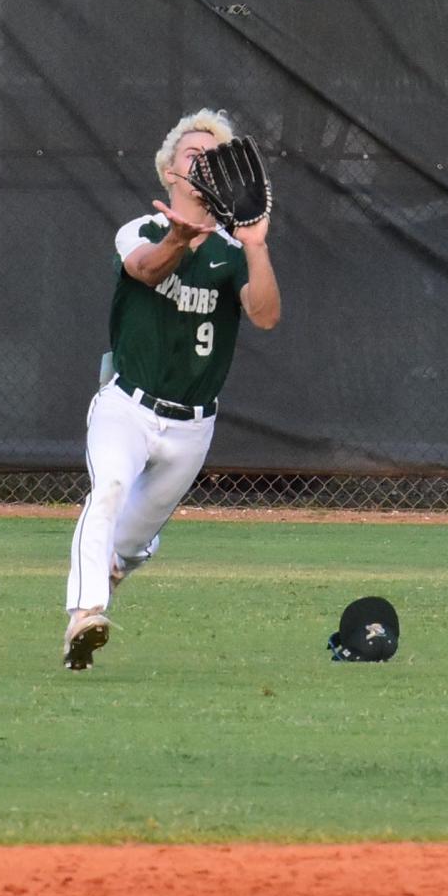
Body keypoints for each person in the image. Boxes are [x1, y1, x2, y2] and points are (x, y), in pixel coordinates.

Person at [63, 109, 283, 670]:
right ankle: (85, 617)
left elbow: (265, 316)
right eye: (193, 155)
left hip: (192, 427)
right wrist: (180, 241)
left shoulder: (234, 252)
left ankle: (119, 563)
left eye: (216, 157)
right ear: (168, 172)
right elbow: (145, 271)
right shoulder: (143, 229)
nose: (204, 163)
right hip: (126, 406)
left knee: (127, 548)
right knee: (106, 490)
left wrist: (256, 245)